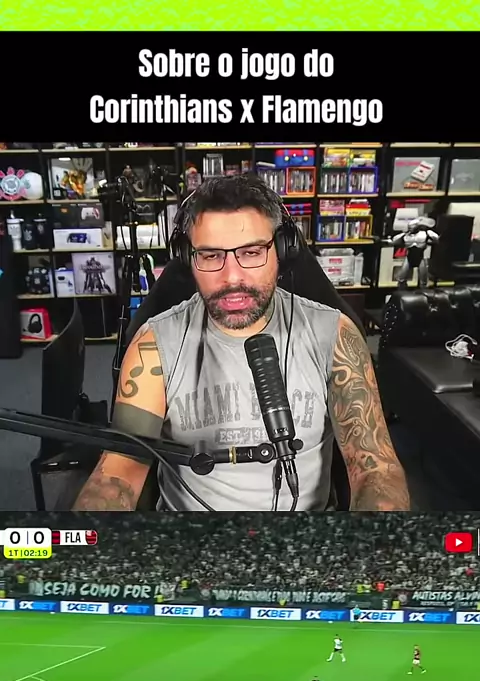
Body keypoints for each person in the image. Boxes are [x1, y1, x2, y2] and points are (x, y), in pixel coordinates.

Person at [72, 173, 410, 513]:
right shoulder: (154, 346)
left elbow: (375, 469)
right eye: (210, 256)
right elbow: (118, 472)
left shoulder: (334, 335)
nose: (232, 277)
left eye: (251, 252)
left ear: (282, 251)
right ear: (188, 258)